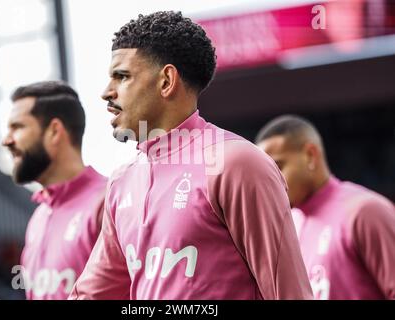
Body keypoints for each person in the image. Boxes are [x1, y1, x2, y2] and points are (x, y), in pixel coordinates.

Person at [69, 11, 312, 300]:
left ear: (166, 81)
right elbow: (95, 293)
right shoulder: (122, 182)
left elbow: (289, 294)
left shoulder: (236, 163)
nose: (107, 92)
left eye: (122, 77)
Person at [255, 115, 395, 300]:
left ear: (310, 155)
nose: (271, 181)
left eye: (278, 166)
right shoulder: (289, 227)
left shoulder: (364, 211)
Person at [3, 81, 107, 299]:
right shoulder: (39, 217)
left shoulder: (109, 202)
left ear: (54, 131)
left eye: (17, 127)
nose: (6, 140)